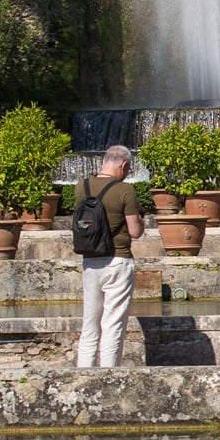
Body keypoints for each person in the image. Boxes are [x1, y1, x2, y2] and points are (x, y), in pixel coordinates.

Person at [75, 145, 145, 369]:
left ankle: (83, 375)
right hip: (118, 260)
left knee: (90, 325)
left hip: (90, 261)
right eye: (129, 169)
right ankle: (108, 377)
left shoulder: (81, 187)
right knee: (112, 324)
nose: (127, 173)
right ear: (123, 165)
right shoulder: (124, 190)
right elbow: (135, 231)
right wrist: (142, 220)